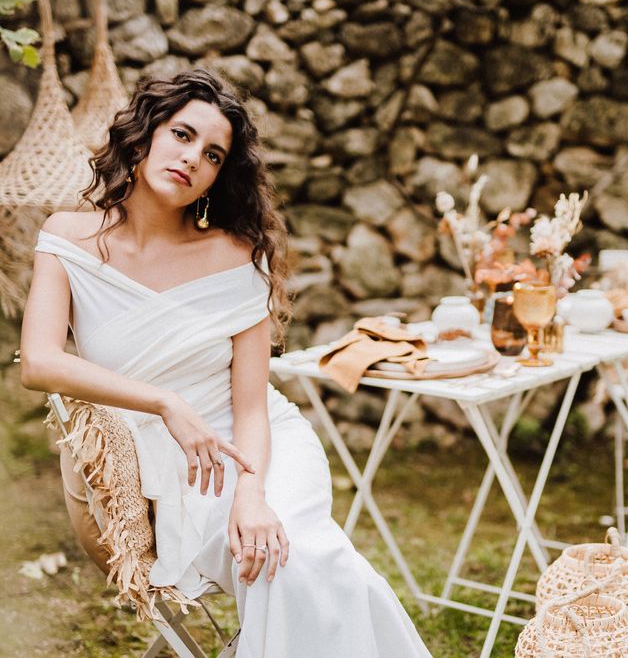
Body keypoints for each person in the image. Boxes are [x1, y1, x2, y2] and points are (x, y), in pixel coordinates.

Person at [20, 69, 432, 657]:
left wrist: (250, 491)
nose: (192, 158)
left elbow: (253, 409)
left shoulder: (238, 255)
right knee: (285, 563)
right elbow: (37, 362)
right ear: (144, 137)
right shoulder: (68, 239)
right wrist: (165, 402)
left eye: (212, 154)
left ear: (218, 177)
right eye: (182, 135)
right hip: (166, 470)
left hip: (256, 450)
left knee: (296, 552)